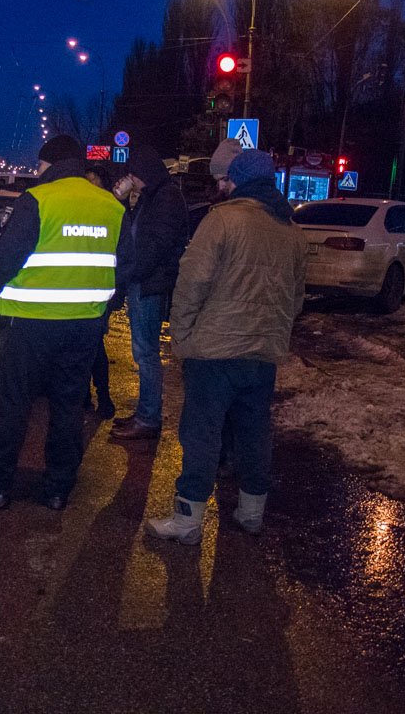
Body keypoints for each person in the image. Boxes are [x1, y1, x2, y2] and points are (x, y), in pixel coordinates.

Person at [0, 134, 124, 511]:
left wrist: (16, 289)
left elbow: (5, 258)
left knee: (13, 403)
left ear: (49, 165)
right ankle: (57, 490)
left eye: (39, 166)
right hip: (85, 326)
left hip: (33, 323)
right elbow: (123, 266)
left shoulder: (39, 199)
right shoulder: (110, 206)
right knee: (68, 407)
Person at [146, 149, 306, 544]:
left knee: (202, 434)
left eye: (225, 181)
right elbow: (296, 296)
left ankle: (187, 521)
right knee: (253, 433)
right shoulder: (292, 230)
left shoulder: (222, 220)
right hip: (262, 355)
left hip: (214, 353)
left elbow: (192, 283)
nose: (221, 187)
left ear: (238, 181)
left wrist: (180, 335)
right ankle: (251, 513)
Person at [110, 145, 189, 440]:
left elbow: (155, 246)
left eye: (134, 174)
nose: (132, 179)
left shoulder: (165, 198)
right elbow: (136, 234)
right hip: (144, 281)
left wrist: (131, 272)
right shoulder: (152, 196)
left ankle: (148, 418)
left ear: (145, 173)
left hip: (149, 283)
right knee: (143, 351)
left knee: (146, 353)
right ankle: (145, 413)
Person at [81, 161, 118, 418]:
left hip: (99, 290)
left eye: (94, 180)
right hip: (80, 287)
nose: (90, 185)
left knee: (93, 346)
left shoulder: (109, 209)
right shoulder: (85, 207)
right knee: (85, 346)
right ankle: (86, 396)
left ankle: (102, 397)